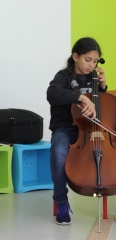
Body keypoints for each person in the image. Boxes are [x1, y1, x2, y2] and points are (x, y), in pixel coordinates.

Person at [46, 37, 107, 225]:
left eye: (95, 61)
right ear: (75, 56)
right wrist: (80, 97)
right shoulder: (63, 76)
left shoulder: (95, 78)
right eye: (87, 59)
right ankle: (62, 201)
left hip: (91, 130)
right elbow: (52, 93)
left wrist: (102, 88)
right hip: (66, 128)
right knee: (58, 151)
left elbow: (103, 107)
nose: (91, 65)